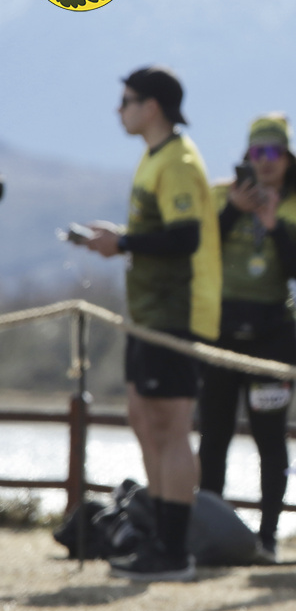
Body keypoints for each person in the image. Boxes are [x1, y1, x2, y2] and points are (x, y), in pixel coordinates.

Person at [79, 65, 221, 581]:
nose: (119, 110)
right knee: (144, 418)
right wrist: (120, 237)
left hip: (177, 312)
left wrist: (122, 242)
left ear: (152, 106)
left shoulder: (178, 160)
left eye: (126, 100)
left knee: (171, 427)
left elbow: (185, 238)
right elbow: (161, 232)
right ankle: (159, 540)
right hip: (149, 312)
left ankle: (174, 551)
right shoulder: (155, 156)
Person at [197, 113, 296, 561]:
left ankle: (268, 538)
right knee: (214, 436)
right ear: (246, 156)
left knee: (270, 439)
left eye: (275, 152)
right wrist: (234, 209)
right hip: (220, 333)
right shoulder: (217, 196)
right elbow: (198, 251)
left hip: (273, 336)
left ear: (287, 158)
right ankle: (207, 536)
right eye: (257, 152)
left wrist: (272, 224)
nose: (266, 161)